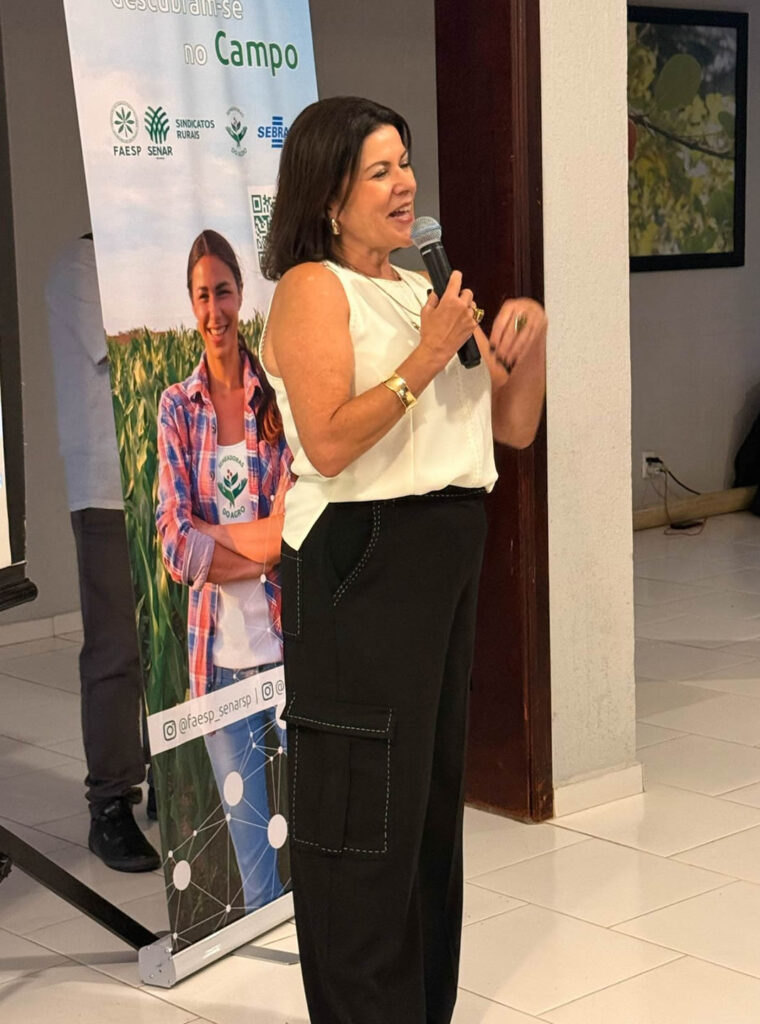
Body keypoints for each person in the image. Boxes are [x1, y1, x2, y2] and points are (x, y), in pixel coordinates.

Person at [260, 96, 547, 1023]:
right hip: (361, 561)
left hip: (441, 557)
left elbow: (511, 425)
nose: (405, 184)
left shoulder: (427, 285)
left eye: (406, 164)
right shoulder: (314, 287)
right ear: (329, 197)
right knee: (364, 817)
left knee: (424, 810)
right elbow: (329, 441)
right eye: (379, 171)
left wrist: (531, 341)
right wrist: (425, 356)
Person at [156, 229, 292, 913]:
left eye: (226, 292)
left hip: (288, 654)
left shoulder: (277, 398)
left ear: (243, 296)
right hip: (216, 669)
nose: (216, 310)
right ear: (192, 304)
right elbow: (173, 543)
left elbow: (295, 526)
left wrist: (213, 537)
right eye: (203, 296)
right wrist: (259, 547)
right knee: (257, 874)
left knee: (321, 840)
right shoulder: (177, 407)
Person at [46, 233, 160, 872]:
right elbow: (133, 351)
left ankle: (174, 774)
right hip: (109, 487)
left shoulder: (153, 258)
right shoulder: (79, 265)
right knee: (118, 649)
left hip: (175, 484)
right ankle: (111, 802)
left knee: (176, 641)